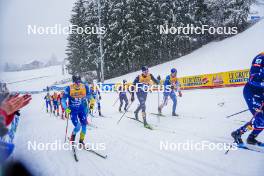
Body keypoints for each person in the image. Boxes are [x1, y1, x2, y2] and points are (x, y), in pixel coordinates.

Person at [231, 52, 264, 147]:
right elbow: (252, 79)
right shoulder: (260, 58)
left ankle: (251, 138)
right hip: (252, 92)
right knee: (260, 118)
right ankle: (238, 133)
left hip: (261, 93)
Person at [61, 75, 91, 145]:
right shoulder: (69, 88)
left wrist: (87, 97)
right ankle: (73, 137)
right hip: (73, 110)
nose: (77, 84)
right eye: (76, 82)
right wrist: (66, 109)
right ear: (73, 82)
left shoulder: (84, 87)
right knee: (77, 127)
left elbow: (89, 94)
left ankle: (81, 141)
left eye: (79, 82)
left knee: (84, 126)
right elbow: (63, 100)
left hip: (81, 109)